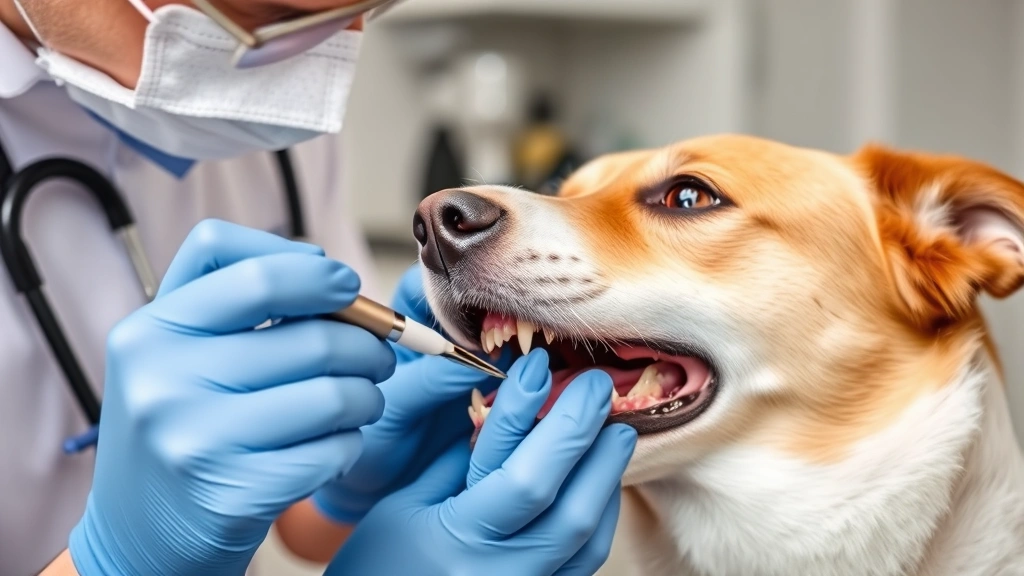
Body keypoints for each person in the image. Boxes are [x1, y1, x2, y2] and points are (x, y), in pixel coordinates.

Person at [0, 1, 637, 574]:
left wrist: (352, 483)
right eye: (272, 9)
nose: (331, 49)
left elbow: (304, 527)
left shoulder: (264, 110)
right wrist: (117, 564)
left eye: (366, 5)